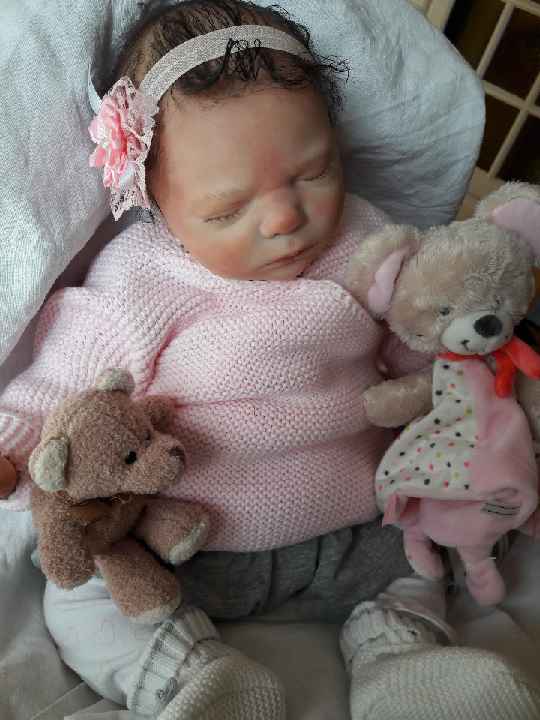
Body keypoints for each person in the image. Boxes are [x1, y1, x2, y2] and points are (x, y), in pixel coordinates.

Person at [1, 2, 539, 719]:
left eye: (314, 172)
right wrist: (13, 452)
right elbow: (59, 393)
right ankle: (193, 678)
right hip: (187, 549)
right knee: (82, 593)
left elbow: (422, 353)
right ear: (154, 201)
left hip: (354, 532)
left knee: (421, 559)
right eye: (227, 211)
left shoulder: (368, 242)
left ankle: (402, 660)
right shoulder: (139, 282)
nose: (285, 218)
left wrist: (469, 421)